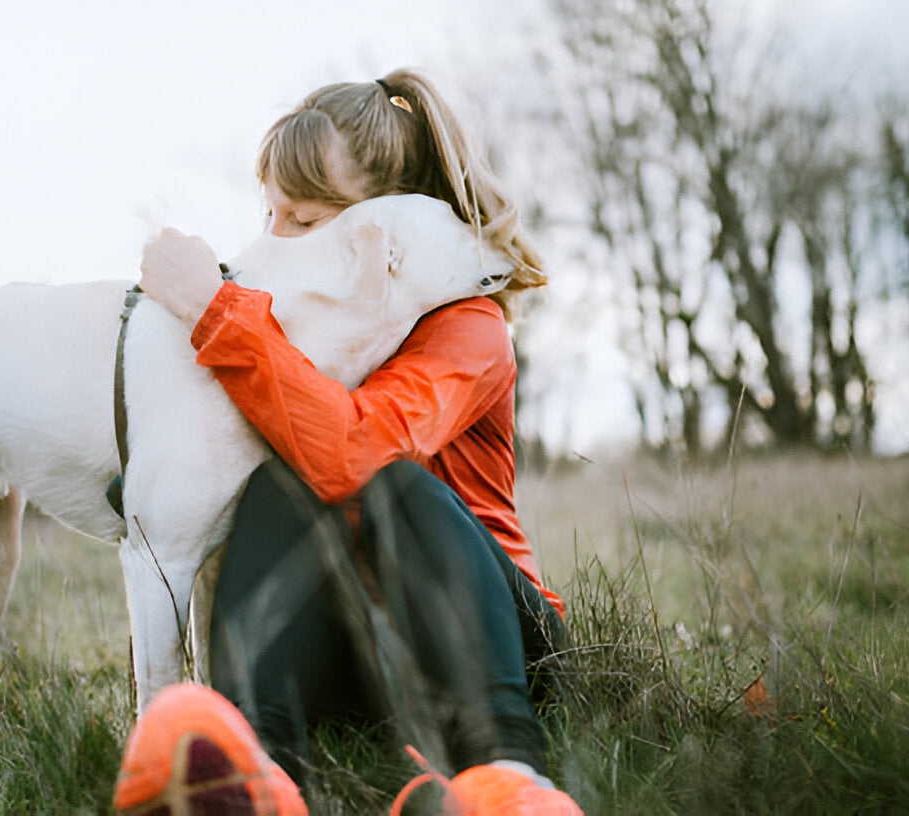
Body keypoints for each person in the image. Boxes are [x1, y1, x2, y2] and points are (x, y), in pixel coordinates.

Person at [113, 69, 582, 815]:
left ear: (391, 223)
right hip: (353, 654)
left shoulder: (468, 330)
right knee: (276, 479)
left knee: (383, 481)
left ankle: (507, 776)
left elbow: (351, 455)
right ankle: (255, 776)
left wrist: (216, 312)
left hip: (495, 645)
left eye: (304, 222)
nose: (276, 244)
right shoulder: (298, 326)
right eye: (271, 216)